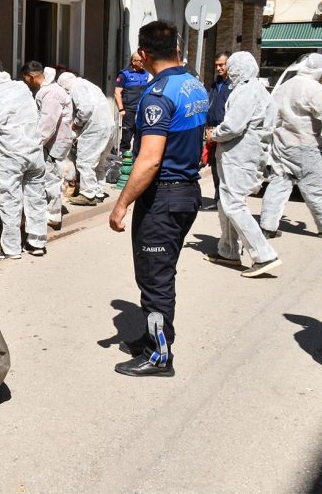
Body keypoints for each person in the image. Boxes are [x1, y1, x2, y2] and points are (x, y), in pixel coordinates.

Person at [109, 20, 209, 378]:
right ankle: (156, 336)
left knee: (155, 279)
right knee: (160, 274)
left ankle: (158, 355)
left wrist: (121, 204)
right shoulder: (193, 83)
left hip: (164, 196)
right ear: (178, 49)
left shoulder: (159, 94)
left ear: (144, 54)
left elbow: (149, 159)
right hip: (186, 192)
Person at [204, 52, 282, 277]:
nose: (228, 71)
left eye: (230, 67)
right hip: (241, 155)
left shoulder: (247, 92)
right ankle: (228, 251)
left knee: (234, 205)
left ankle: (263, 254)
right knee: (226, 203)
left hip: (239, 156)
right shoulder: (257, 90)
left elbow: (233, 126)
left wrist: (213, 134)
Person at [260, 53, 322, 239]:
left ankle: (267, 226)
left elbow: (272, 117)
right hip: (304, 145)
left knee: (279, 183)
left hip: (282, 143)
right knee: (314, 187)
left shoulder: (285, 87)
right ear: (320, 70)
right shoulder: (314, 89)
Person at [0, 59, 47, 260]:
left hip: (10, 155)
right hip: (34, 151)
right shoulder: (22, 87)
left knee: (10, 200)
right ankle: (36, 242)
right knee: (36, 197)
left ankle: (11, 248)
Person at [22, 62, 73, 230]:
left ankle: (53, 214)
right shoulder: (50, 90)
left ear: (31, 76)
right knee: (52, 176)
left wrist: (35, 144)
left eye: (25, 79)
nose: (26, 82)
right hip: (55, 141)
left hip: (55, 142)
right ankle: (52, 210)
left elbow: (48, 124)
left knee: (51, 178)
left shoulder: (50, 93)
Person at [57, 71, 115, 206]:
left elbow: (85, 109)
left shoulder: (77, 88)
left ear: (65, 86)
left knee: (85, 162)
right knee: (100, 162)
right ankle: (98, 191)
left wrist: (76, 124)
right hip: (108, 126)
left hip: (95, 129)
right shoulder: (90, 85)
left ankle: (88, 194)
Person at [202, 52, 233, 212]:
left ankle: (227, 201)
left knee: (225, 169)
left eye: (222, 65)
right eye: (217, 65)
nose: (219, 68)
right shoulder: (215, 85)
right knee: (215, 167)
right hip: (212, 132)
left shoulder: (234, 84)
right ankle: (217, 199)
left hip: (226, 132)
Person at [114, 52, 150, 153]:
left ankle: (136, 157)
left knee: (140, 134)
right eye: (141, 61)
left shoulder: (146, 73)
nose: (143, 63)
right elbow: (117, 93)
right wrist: (121, 109)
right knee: (127, 134)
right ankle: (123, 156)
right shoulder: (124, 74)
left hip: (141, 109)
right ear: (134, 62)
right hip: (129, 109)